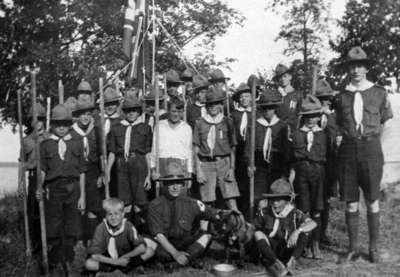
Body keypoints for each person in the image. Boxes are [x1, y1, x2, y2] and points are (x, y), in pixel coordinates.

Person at [335, 46, 393, 263]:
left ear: (366, 68)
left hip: (371, 149)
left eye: (359, 66)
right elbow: (340, 125)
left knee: (372, 200)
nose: (356, 70)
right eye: (352, 66)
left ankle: (374, 249)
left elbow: (386, 122)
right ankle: (353, 249)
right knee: (350, 202)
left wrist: (378, 148)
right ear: (348, 69)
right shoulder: (341, 96)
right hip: (349, 150)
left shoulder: (379, 92)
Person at [147, 161, 224, 269]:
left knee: (207, 236)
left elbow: (212, 213)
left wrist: (228, 215)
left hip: (184, 244)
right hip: (164, 245)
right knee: (149, 244)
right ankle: (187, 259)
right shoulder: (155, 205)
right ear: (164, 184)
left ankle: (176, 264)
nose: (175, 187)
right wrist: (175, 253)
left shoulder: (191, 203)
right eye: (171, 183)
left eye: (178, 182)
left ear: (183, 184)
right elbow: (158, 235)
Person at [38, 104, 86, 272]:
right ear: (52, 125)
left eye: (64, 123)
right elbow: (43, 169)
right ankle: (55, 259)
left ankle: (69, 259)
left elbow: (82, 171)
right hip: (54, 188)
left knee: (71, 222)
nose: (61, 127)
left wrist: (82, 196)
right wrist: (39, 186)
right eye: (57, 124)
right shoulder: (45, 145)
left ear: (69, 124)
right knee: (54, 222)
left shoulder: (77, 143)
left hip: (73, 188)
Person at [106, 92, 152, 227]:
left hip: (139, 165)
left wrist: (149, 174)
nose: (131, 113)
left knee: (140, 203)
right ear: (124, 111)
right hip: (121, 166)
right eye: (128, 110)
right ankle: (125, 233)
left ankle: (140, 232)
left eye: (134, 110)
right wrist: (108, 171)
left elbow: (148, 153)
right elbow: (112, 153)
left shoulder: (145, 127)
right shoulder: (116, 128)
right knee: (124, 202)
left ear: (139, 111)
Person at [254, 178, 317, 277]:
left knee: (305, 232)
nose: (275, 203)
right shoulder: (265, 212)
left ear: (287, 200)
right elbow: (255, 228)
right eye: (273, 200)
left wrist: (297, 231)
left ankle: (292, 261)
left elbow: (313, 223)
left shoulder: (294, 213)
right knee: (258, 233)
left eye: (279, 200)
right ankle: (275, 263)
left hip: (288, 248)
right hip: (272, 250)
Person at [289, 94, 327, 259]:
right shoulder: (296, 134)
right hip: (301, 173)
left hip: (319, 173)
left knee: (317, 210)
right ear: (303, 117)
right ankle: (303, 244)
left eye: (314, 116)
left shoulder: (324, 135)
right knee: (304, 210)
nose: (311, 120)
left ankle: (315, 245)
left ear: (319, 117)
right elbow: (292, 160)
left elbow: (330, 158)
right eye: (308, 117)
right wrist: (291, 177)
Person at [193, 86, 240, 210]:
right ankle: (204, 229)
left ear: (220, 105)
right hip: (206, 165)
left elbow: (232, 148)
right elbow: (196, 148)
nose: (212, 107)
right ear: (206, 106)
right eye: (209, 104)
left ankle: (239, 227)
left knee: (231, 199)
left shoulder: (227, 122)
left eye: (216, 104)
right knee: (207, 202)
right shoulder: (200, 123)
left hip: (224, 163)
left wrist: (232, 169)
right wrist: (198, 170)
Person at [85, 198, 156, 274]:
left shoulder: (128, 225)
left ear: (122, 214)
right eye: (110, 214)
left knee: (150, 251)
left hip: (126, 259)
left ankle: (129, 269)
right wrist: (116, 262)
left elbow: (142, 247)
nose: (113, 218)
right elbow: (95, 255)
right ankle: (111, 272)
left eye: (116, 214)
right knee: (88, 263)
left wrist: (125, 257)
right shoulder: (101, 228)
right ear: (105, 215)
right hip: (109, 261)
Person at [245, 89, 289, 205]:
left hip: (276, 163)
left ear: (275, 108)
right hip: (259, 164)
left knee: (275, 194)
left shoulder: (282, 126)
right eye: (265, 108)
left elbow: (286, 149)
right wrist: (250, 163)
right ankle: (257, 220)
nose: (267, 111)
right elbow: (249, 147)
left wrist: (285, 170)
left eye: (270, 108)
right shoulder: (254, 125)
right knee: (258, 196)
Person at [71, 98, 103, 244]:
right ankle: (78, 240)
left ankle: (91, 240)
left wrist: (102, 173)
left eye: (88, 114)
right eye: (82, 114)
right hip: (77, 173)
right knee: (78, 206)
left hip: (93, 172)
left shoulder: (96, 130)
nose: (85, 117)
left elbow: (102, 154)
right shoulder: (72, 132)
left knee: (93, 207)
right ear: (77, 115)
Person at [19, 103, 49, 252]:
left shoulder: (50, 137)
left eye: (40, 119)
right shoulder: (26, 141)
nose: (37, 123)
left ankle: (48, 244)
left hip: (48, 179)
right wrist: (20, 184)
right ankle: (34, 244)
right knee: (33, 211)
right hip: (32, 178)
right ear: (30, 122)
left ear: (44, 120)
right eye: (34, 120)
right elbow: (22, 164)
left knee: (49, 210)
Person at [315, 79, 339, 245]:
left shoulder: (336, 117)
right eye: (321, 99)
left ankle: (322, 233)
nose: (324, 102)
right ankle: (312, 234)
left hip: (330, 163)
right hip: (315, 162)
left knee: (325, 199)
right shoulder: (309, 117)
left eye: (327, 99)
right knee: (313, 197)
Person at [150, 96, 193, 185]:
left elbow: (189, 151)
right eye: (173, 111)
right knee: (164, 193)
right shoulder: (160, 126)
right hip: (163, 164)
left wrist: (189, 172)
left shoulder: (186, 128)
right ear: (168, 111)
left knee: (180, 194)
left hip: (181, 165)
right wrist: (153, 169)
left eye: (179, 112)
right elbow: (154, 149)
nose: (176, 114)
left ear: (182, 113)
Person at [231, 83, 253, 216]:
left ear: (251, 98)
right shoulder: (234, 115)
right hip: (237, 150)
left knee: (249, 182)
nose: (244, 99)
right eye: (242, 97)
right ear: (238, 99)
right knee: (239, 183)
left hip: (250, 151)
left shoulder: (255, 114)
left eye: (247, 96)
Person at [274, 64, 303, 132]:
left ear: (290, 77)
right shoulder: (275, 95)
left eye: (285, 76)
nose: (282, 79)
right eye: (280, 77)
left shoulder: (297, 94)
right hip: (278, 129)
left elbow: (300, 114)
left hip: (293, 129)